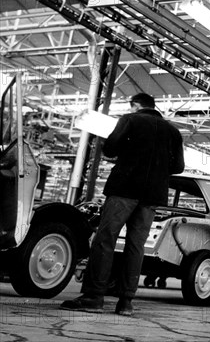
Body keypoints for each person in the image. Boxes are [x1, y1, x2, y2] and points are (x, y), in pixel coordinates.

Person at [61, 93, 184, 316]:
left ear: (135, 105)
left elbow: (110, 149)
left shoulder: (130, 120)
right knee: (136, 246)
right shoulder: (173, 132)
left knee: (105, 239)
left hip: (124, 189)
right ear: (153, 105)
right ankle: (126, 303)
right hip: (152, 197)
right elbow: (178, 168)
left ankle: (94, 297)